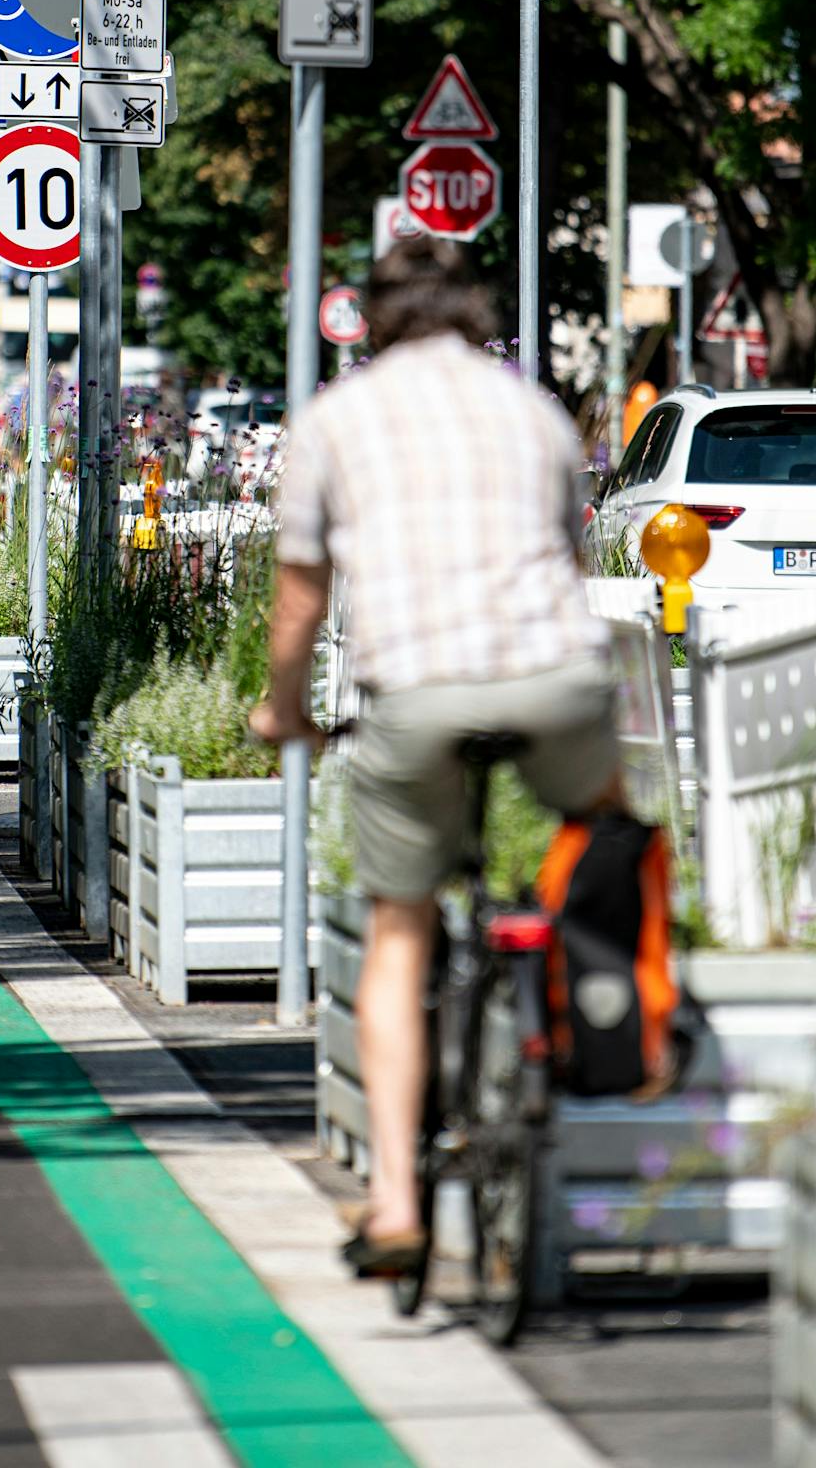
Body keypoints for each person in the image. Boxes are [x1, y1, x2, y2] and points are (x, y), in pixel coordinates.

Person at [248, 236, 620, 1278]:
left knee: (398, 929)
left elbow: (299, 596)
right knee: (608, 825)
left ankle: (397, 1204)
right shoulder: (532, 408)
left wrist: (282, 712)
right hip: (553, 679)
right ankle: (609, 999)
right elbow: (570, 552)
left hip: (411, 696)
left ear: (371, 319)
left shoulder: (334, 419)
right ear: (472, 313)